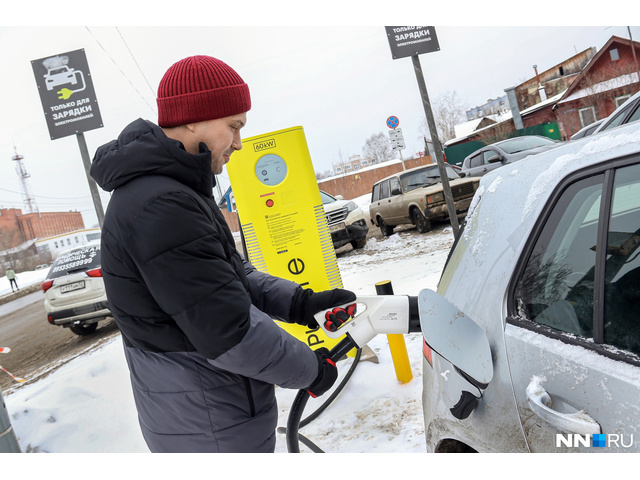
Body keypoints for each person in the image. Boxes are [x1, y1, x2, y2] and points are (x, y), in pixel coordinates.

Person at [90, 55, 356, 453]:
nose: (238, 143)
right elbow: (229, 331)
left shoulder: (171, 189)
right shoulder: (161, 204)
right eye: (233, 127)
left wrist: (300, 303)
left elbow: (229, 277)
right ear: (193, 118)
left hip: (205, 412)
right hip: (209, 424)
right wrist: (310, 370)